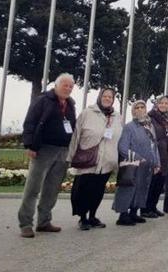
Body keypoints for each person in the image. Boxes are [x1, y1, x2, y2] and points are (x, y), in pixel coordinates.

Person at [18, 73, 77, 238]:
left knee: (51, 190)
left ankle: (44, 222)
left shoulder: (70, 104)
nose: (68, 88)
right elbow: (30, 122)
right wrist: (29, 145)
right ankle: (25, 223)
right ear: (56, 85)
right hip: (43, 149)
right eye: (65, 85)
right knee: (33, 188)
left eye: (71, 86)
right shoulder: (42, 100)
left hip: (62, 151)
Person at [67, 87, 121, 230]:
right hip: (88, 158)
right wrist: (70, 156)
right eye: (105, 96)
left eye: (110, 97)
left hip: (106, 161)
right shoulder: (88, 113)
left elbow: (118, 138)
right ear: (100, 97)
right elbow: (76, 134)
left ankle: (93, 216)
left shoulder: (116, 116)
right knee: (84, 189)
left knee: (98, 190)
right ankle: (83, 218)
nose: (108, 99)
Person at [112, 101, 160, 226]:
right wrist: (138, 157)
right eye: (136, 108)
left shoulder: (150, 126)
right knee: (128, 189)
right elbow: (122, 147)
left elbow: (154, 146)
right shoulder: (129, 127)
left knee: (142, 188)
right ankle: (123, 215)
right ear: (133, 111)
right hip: (132, 165)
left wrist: (156, 162)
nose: (139, 110)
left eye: (142, 107)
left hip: (146, 166)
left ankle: (134, 212)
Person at [142, 95, 168, 219]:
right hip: (155, 154)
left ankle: (153, 206)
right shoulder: (150, 117)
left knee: (159, 183)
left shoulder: (166, 119)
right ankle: (145, 209)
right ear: (156, 104)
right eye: (161, 103)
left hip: (164, 154)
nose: (164, 105)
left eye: (166, 103)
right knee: (152, 183)